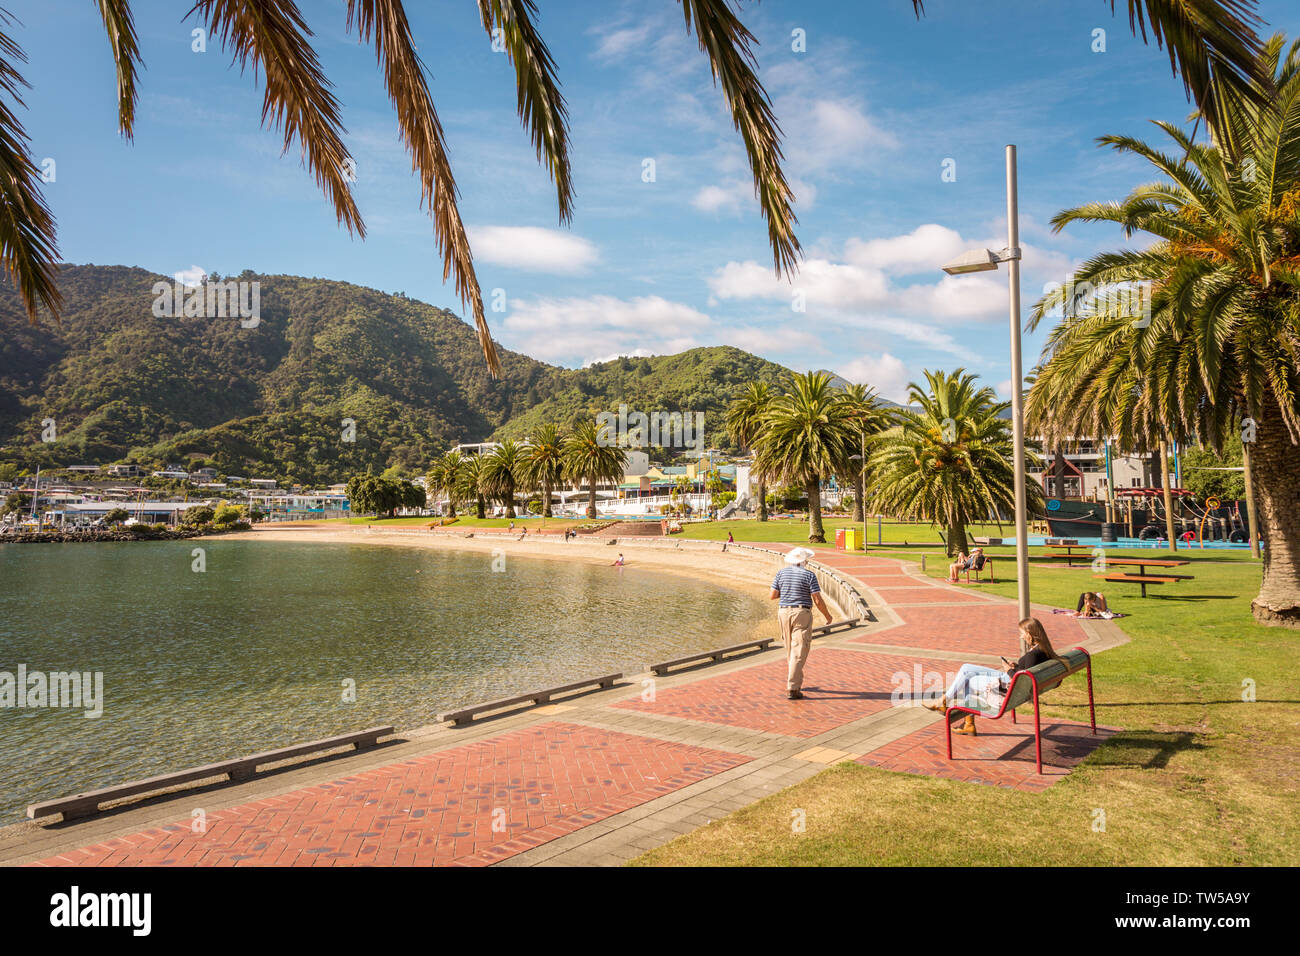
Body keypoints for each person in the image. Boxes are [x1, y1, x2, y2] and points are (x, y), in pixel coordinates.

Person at [923, 618, 1069, 735]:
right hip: (1014, 683)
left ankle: (956, 712)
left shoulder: (1033, 654)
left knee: (969, 679)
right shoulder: (1043, 650)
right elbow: (1025, 673)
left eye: (1022, 633)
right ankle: (955, 711)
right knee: (966, 669)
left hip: (1006, 684)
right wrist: (1015, 667)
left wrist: (1008, 670)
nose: (1021, 636)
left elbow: (1020, 679)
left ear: (1030, 634)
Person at [770, 547, 833, 700]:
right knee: (799, 650)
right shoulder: (809, 575)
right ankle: (793, 688)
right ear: (804, 561)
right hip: (801, 613)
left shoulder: (781, 573)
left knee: (790, 649)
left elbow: (772, 595)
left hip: (783, 612)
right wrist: (827, 616)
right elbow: (817, 599)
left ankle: (796, 682)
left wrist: (788, 591)